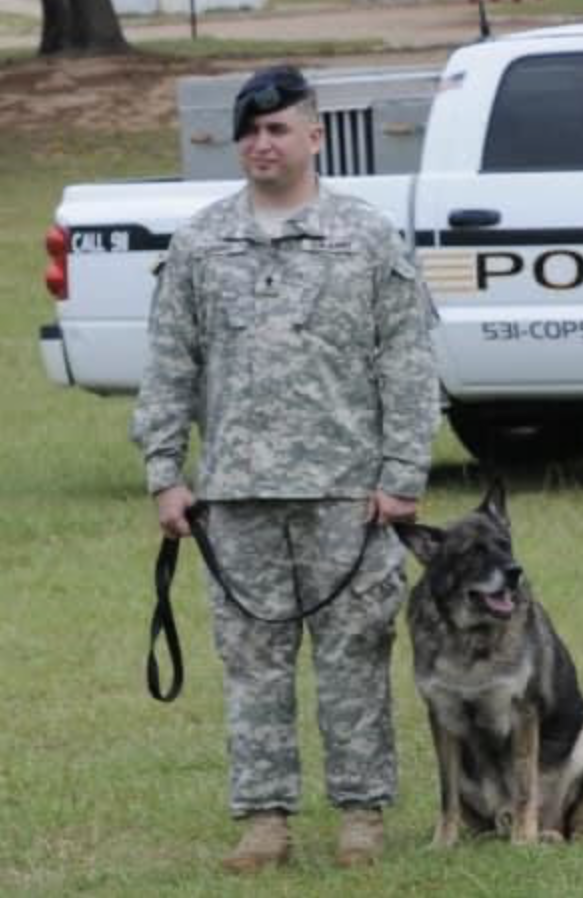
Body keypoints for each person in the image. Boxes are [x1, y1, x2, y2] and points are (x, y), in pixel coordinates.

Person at [132, 64, 440, 872]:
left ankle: (361, 818)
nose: (260, 143)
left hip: (349, 492)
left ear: (314, 137)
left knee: (354, 656)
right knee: (253, 664)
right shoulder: (201, 241)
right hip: (234, 495)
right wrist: (167, 472)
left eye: (277, 129)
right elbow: (171, 365)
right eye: (249, 131)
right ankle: (265, 821)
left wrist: (403, 473)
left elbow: (405, 363)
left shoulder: (367, 238)